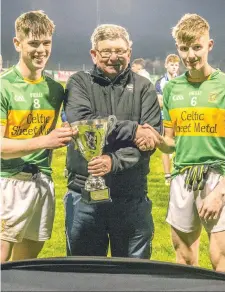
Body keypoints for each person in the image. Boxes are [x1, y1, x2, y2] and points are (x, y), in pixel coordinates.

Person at [64, 24, 162, 259]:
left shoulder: (144, 87)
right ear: (93, 54)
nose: (113, 57)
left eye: (120, 51)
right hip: (84, 194)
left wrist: (113, 161)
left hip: (131, 196)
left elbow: (149, 141)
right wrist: (132, 129)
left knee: (133, 278)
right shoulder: (79, 82)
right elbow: (84, 124)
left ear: (129, 52)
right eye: (106, 51)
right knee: (83, 276)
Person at [142, 13, 225, 272]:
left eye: (197, 47)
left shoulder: (223, 85)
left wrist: (220, 193)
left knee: (220, 259)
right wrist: (157, 141)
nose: (190, 55)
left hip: (218, 178)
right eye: (184, 48)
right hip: (183, 178)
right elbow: (170, 142)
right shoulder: (171, 89)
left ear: (209, 45)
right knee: (186, 262)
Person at [0, 10, 76, 263]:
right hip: (7, 181)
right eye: (33, 43)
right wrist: (45, 141)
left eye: (46, 43)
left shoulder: (55, 89)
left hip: (42, 182)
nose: (41, 50)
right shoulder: (4, 86)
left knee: (25, 265)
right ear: (17, 43)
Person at [155, 54, 180, 185]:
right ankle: (167, 175)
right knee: (166, 145)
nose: (174, 67)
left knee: (180, 145)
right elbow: (160, 102)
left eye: (176, 65)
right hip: (165, 118)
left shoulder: (182, 80)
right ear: (166, 65)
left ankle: (178, 171)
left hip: (180, 119)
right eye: (171, 64)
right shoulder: (160, 82)